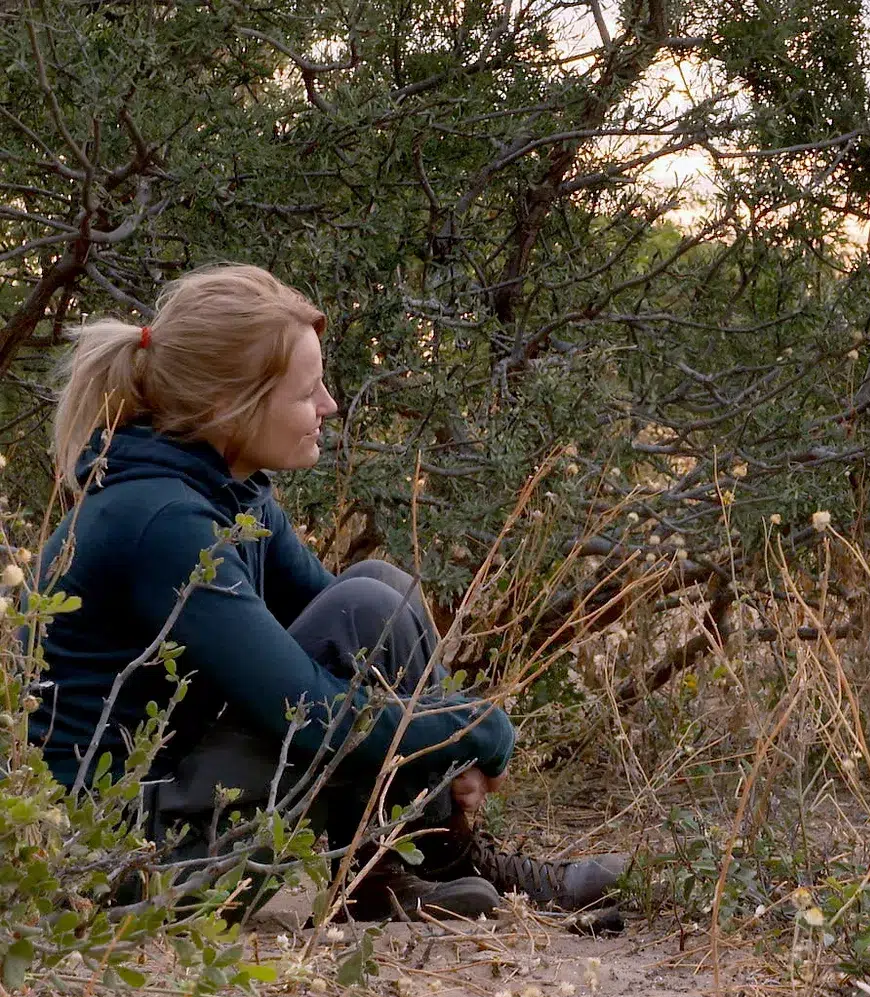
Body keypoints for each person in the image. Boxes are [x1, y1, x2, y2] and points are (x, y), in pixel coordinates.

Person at [27, 265, 623, 923]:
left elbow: (358, 632)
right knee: (366, 619)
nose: (329, 405)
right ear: (232, 406)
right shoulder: (164, 521)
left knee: (379, 592)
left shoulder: (229, 493)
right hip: (119, 865)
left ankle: (401, 865)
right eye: (307, 390)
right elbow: (309, 712)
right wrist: (473, 728)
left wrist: (444, 738)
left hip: (172, 813)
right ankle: (433, 862)